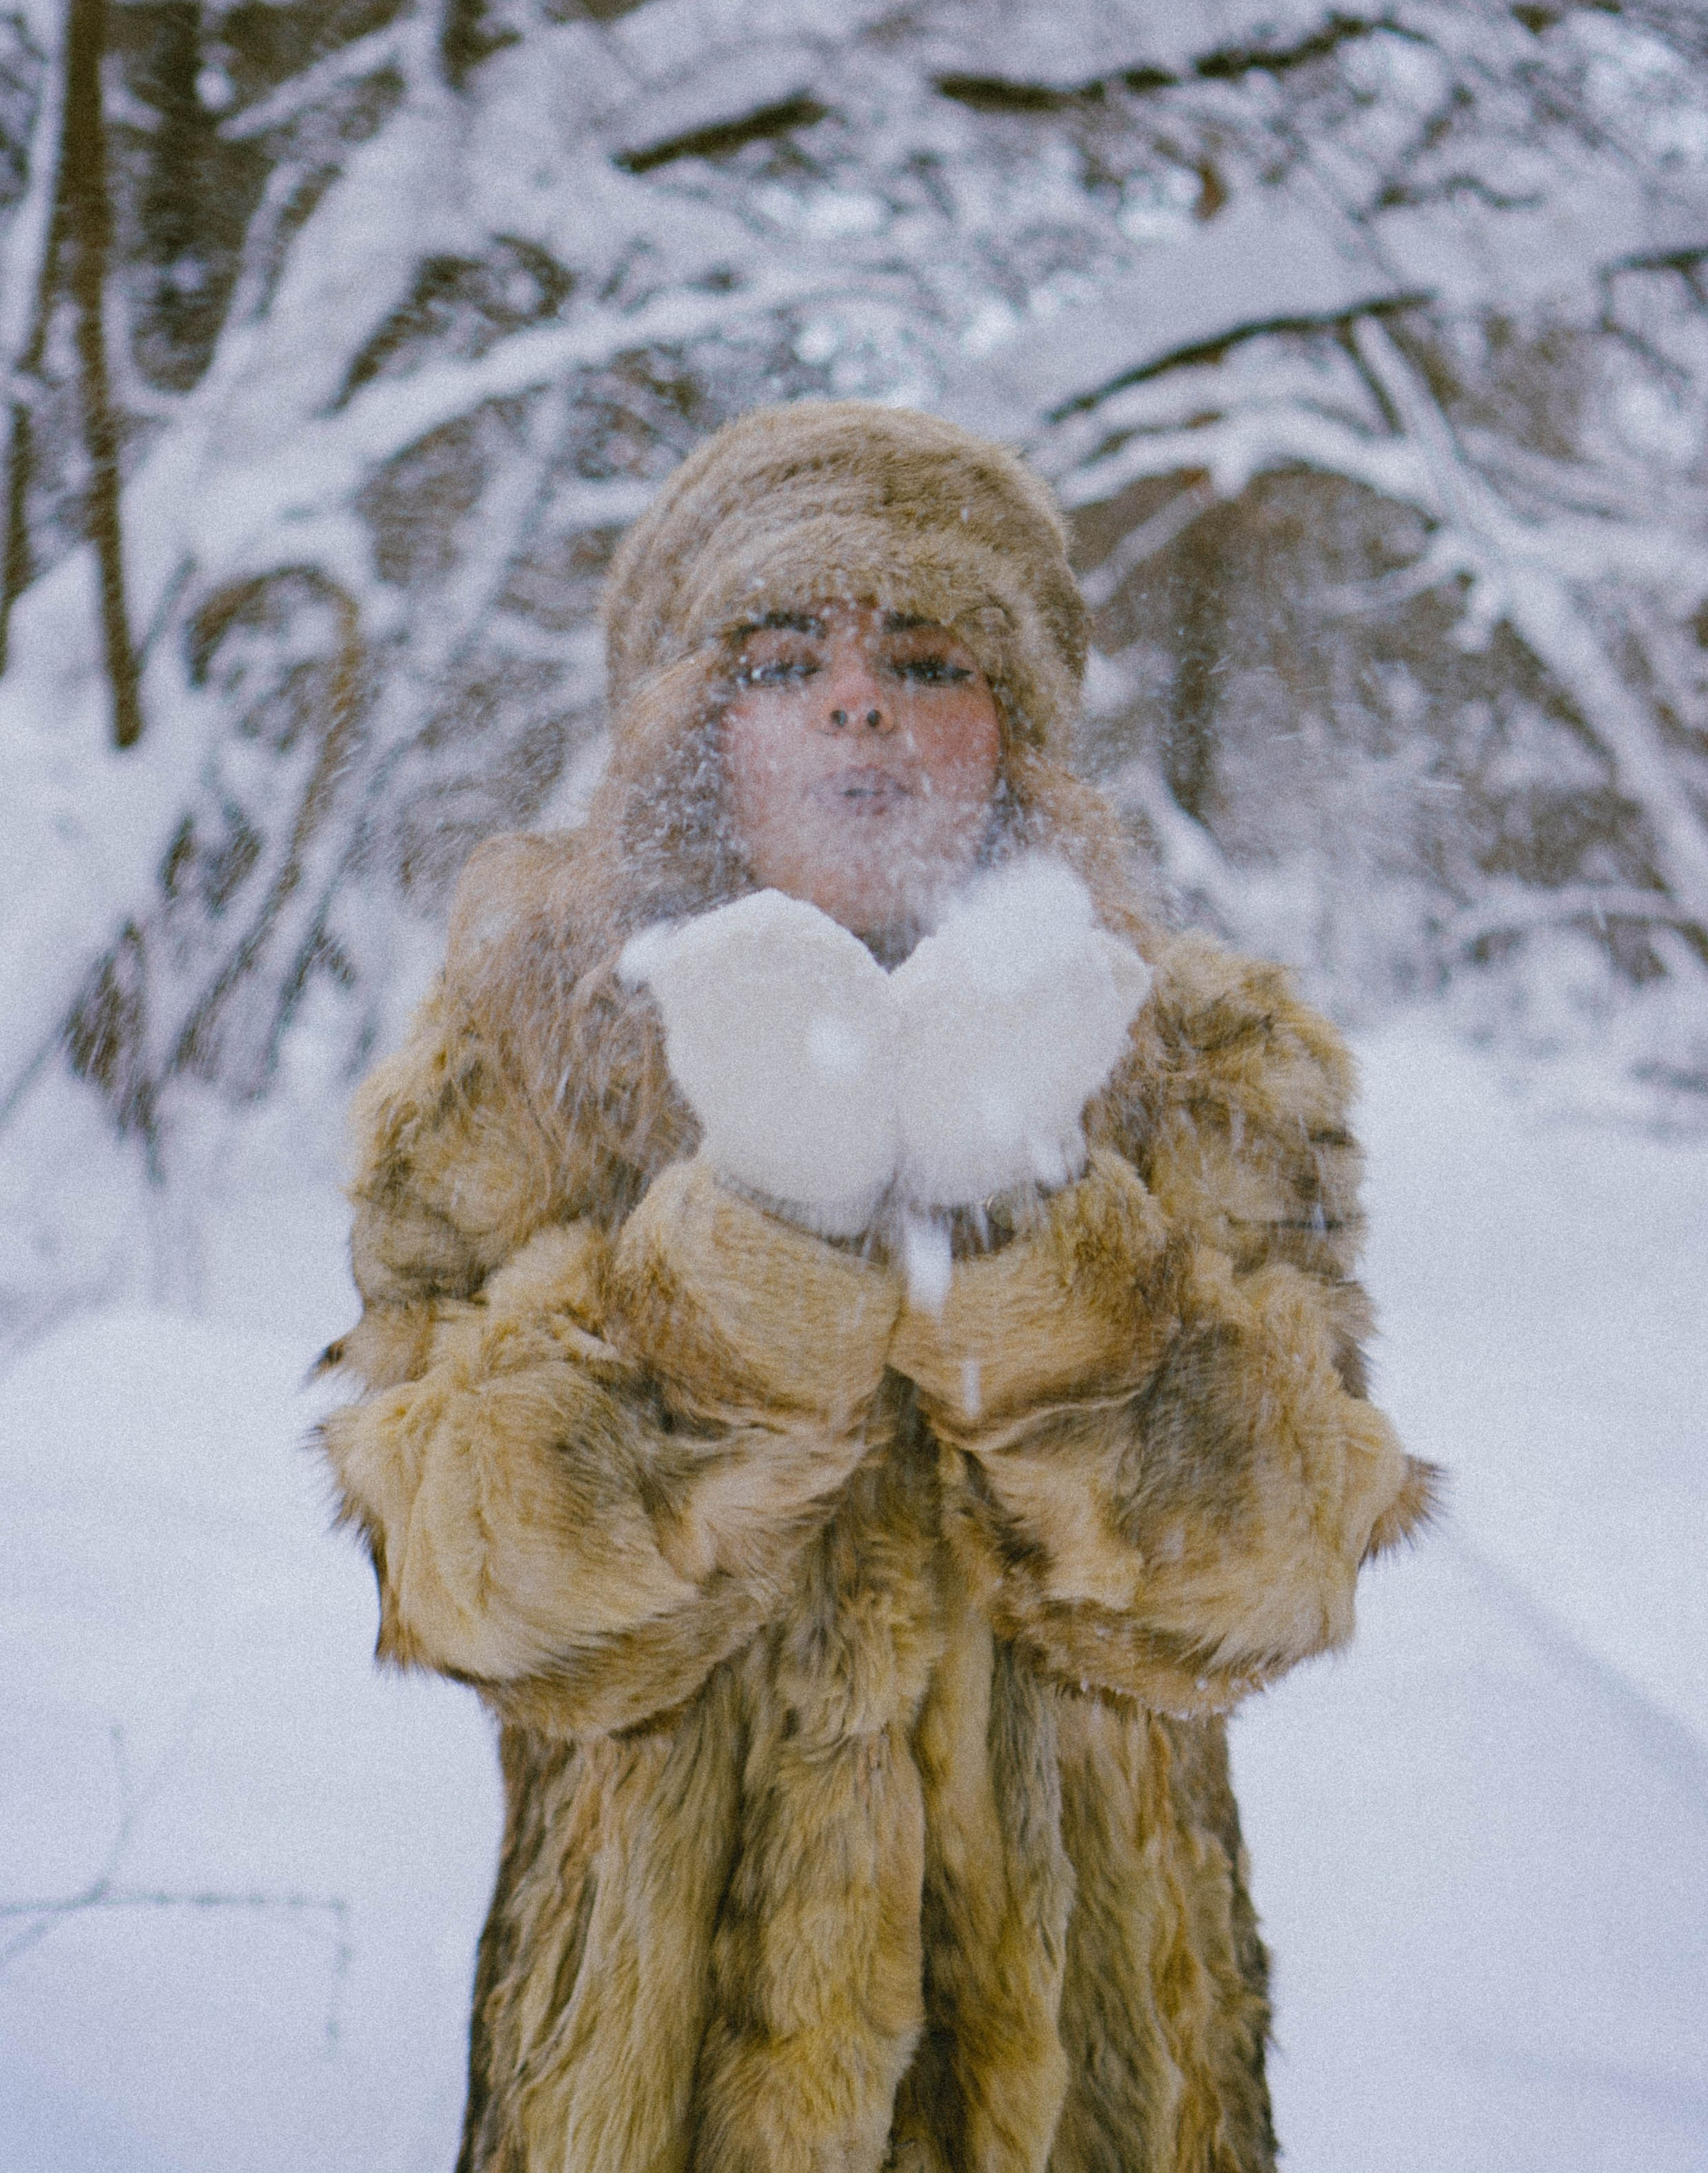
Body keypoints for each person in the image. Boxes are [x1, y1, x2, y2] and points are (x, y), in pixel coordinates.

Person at [318, 400, 1434, 2173]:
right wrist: (757, 1232)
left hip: (1093, 2083)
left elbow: (1261, 1574)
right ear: (695, 730)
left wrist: (1036, 1218)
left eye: (924, 655)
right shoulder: (518, 1063)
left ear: (1012, 732)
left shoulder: (1197, 1058)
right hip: (656, 2088)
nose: (859, 701)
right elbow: (483, 1598)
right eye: (782, 660)